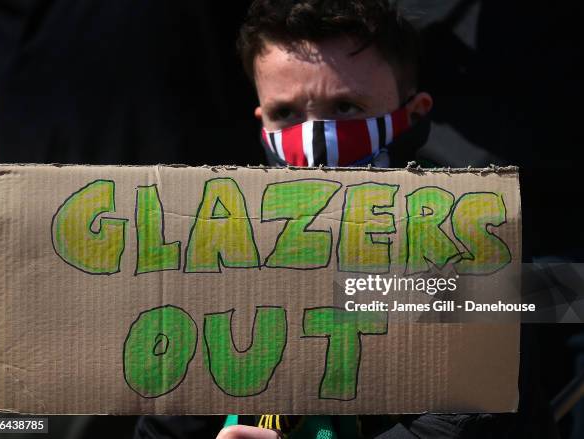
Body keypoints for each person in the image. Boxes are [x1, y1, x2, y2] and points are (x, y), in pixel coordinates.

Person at [213, 0, 558, 438]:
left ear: (413, 116)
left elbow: (467, 418)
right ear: (261, 123)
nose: (317, 138)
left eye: (345, 108)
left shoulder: (470, 233)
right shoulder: (222, 241)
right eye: (286, 114)